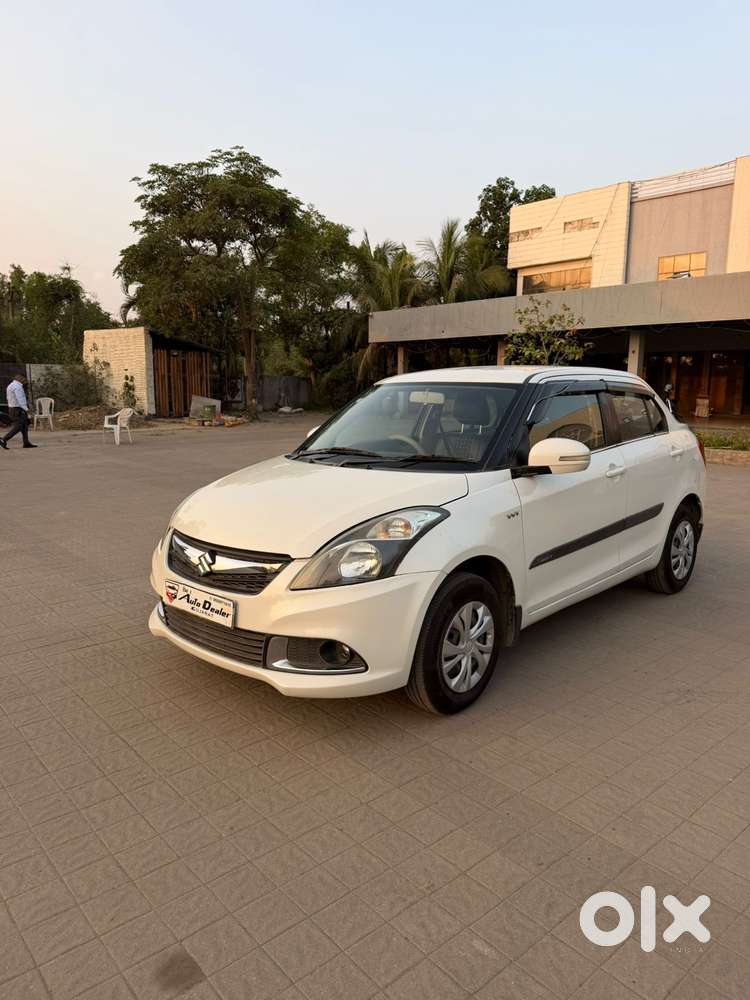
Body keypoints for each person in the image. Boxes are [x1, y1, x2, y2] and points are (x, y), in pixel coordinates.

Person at [0, 374, 37, 449]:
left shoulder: (11, 385)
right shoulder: (18, 387)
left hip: (13, 408)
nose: (25, 381)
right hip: (17, 409)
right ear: (20, 378)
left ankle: (26, 442)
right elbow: (20, 399)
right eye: (24, 379)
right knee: (18, 426)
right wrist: (27, 409)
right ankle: (4, 439)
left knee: (24, 426)